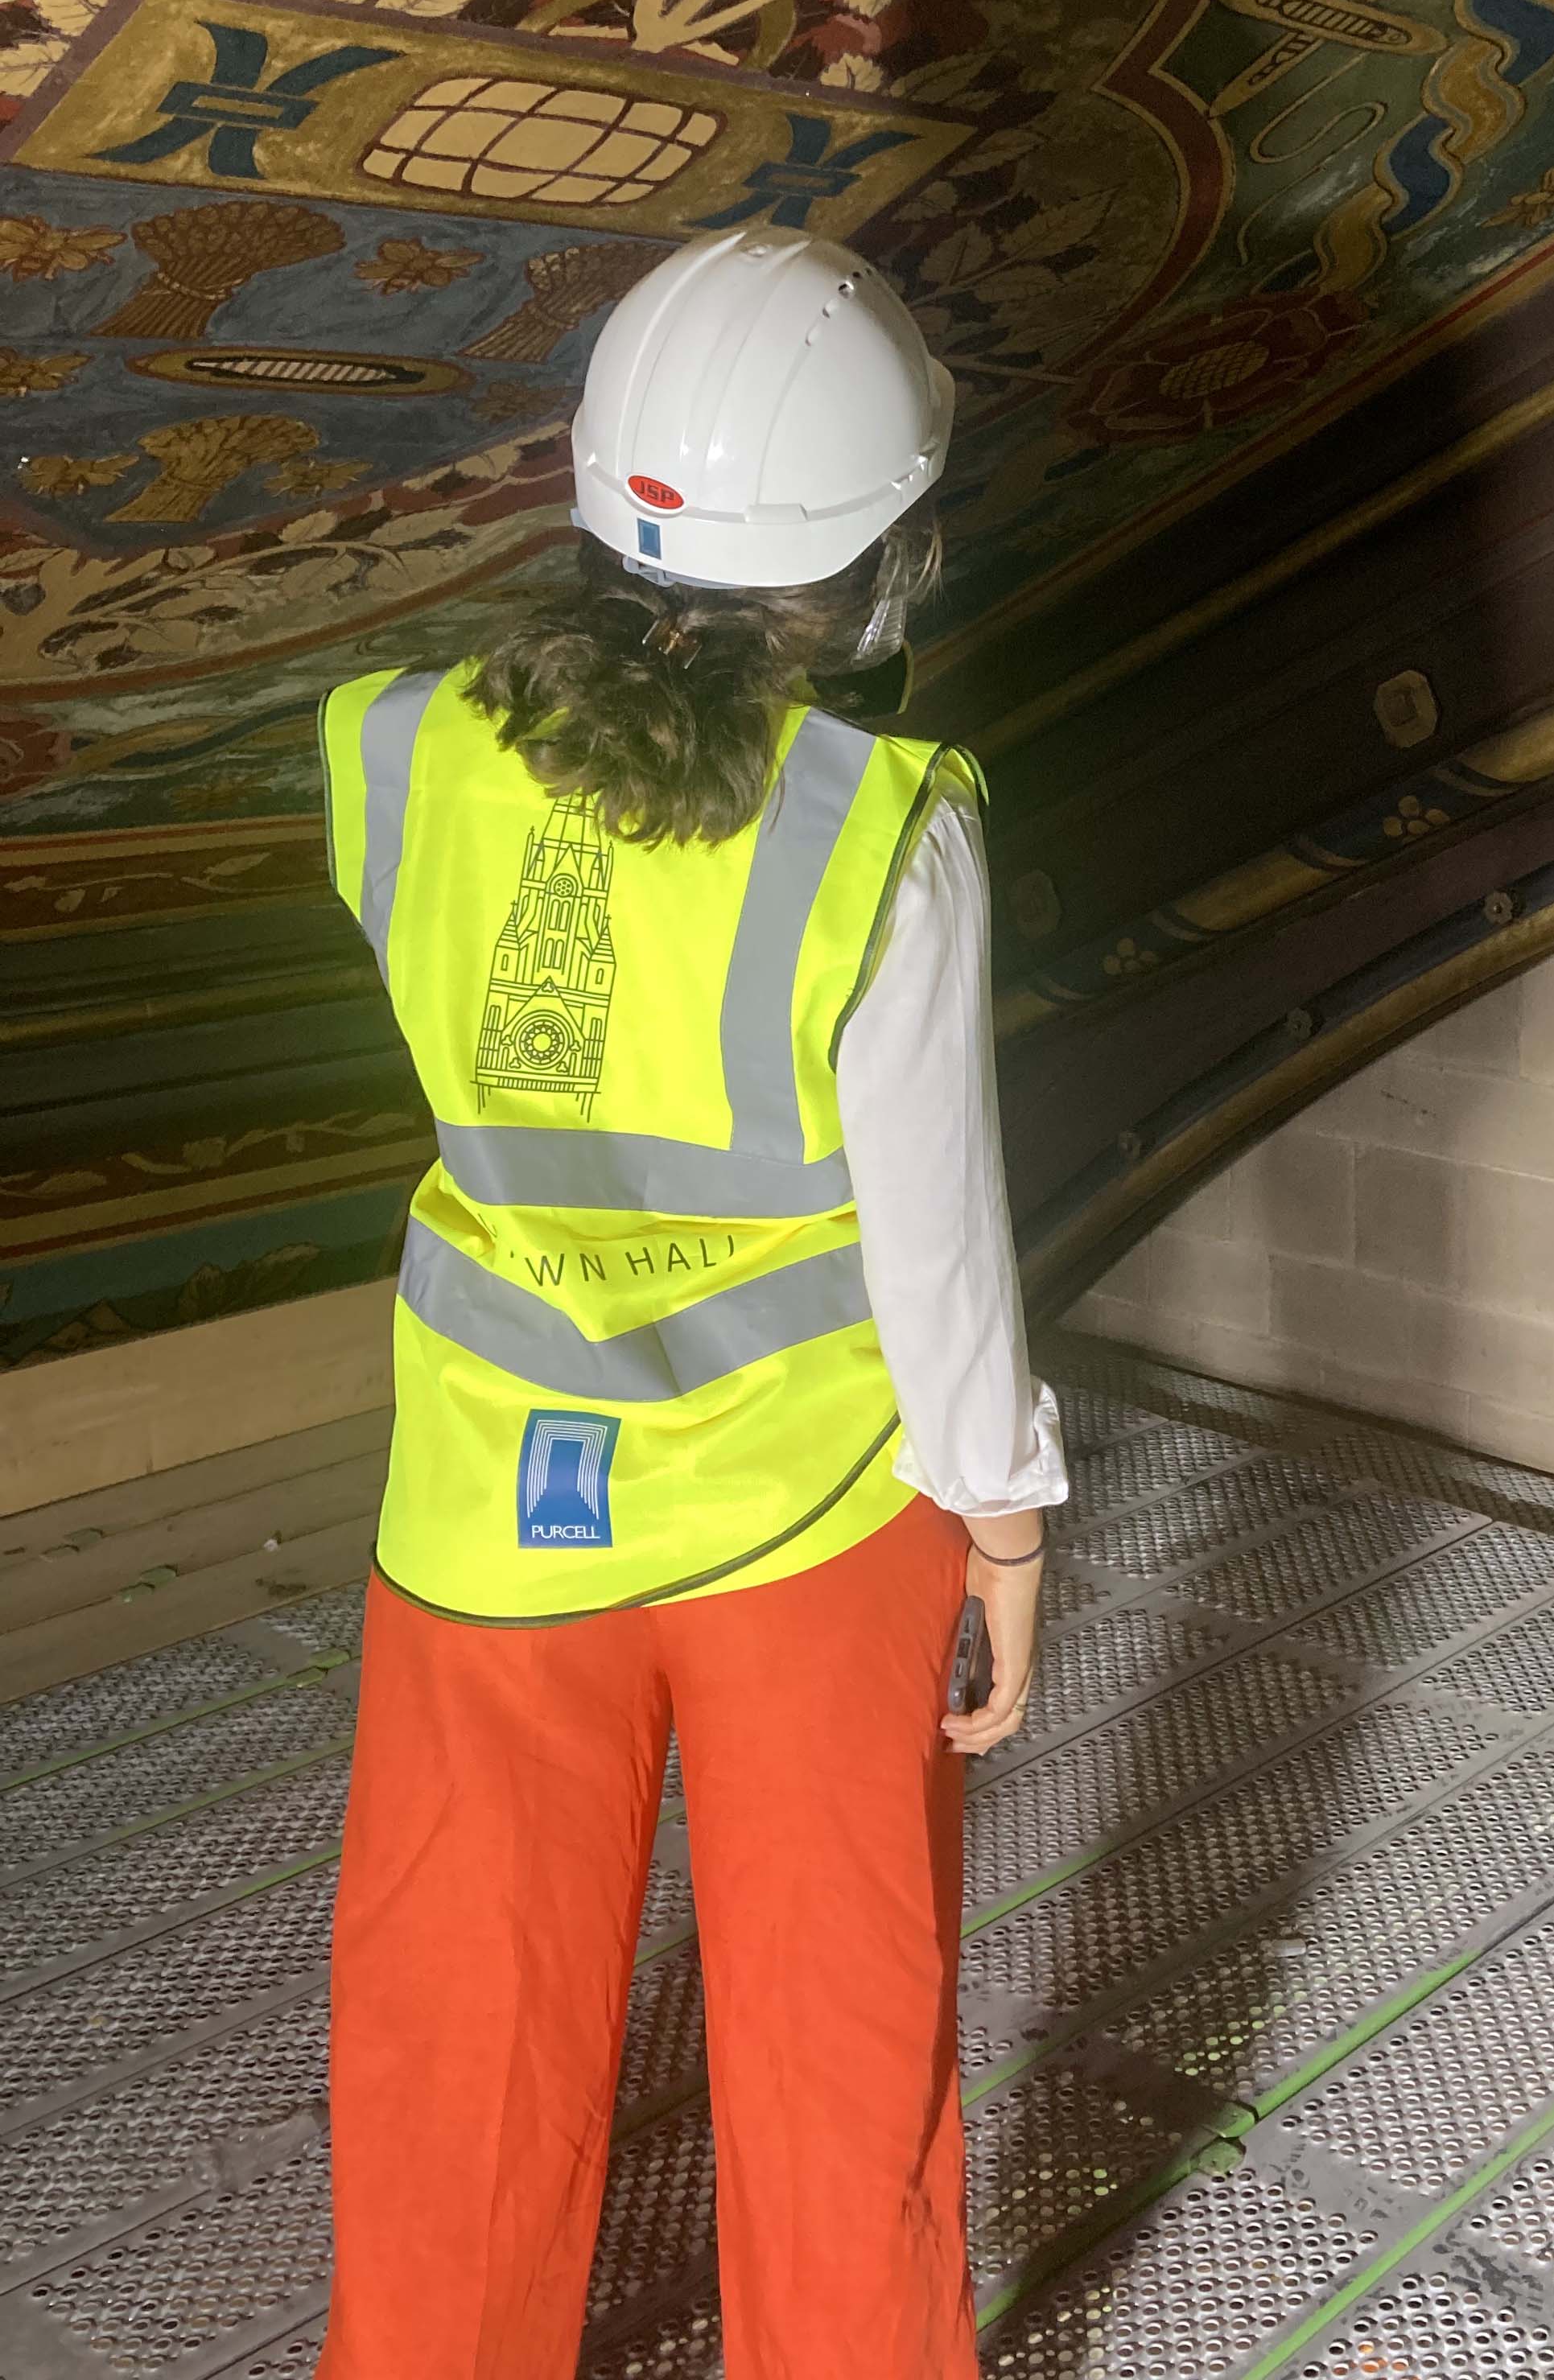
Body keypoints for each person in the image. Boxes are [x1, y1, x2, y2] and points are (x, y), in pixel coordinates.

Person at [312, 227, 1066, 2380]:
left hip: (483, 1506)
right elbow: (940, 1250)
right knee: (838, 2058)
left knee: (455, 2051)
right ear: (880, 559)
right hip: (805, 1520)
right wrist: (1001, 1526)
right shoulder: (884, 834)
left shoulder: (390, 750)